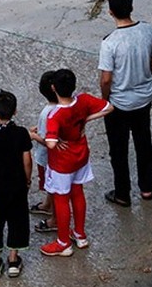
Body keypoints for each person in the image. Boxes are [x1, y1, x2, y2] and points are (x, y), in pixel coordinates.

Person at [98, 0, 152, 207]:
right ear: (131, 8)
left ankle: (123, 193)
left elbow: (106, 79)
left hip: (119, 102)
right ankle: (146, 188)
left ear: (110, 12)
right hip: (143, 98)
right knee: (144, 143)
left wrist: (104, 100)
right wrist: (145, 74)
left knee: (118, 149)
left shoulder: (109, 43)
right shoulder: (147, 31)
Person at [40, 69, 113, 257]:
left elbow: (50, 142)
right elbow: (108, 107)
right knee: (78, 192)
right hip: (81, 155)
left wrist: (48, 139)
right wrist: (87, 119)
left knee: (61, 198)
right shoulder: (84, 100)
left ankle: (63, 242)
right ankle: (80, 234)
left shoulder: (54, 115)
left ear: (53, 88)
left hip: (62, 163)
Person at [0, 91, 33, 277]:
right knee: (17, 220)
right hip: (17, 185)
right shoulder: (21, 134)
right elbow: (27, 161)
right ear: (15, 111)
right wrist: (27, 179)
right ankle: (13, 260)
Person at [29, 71, 59, 233]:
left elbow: (48, 141)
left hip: (47, 158)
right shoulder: (58, 109)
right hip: (51, 157)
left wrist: (34, 135)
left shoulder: (48, 112)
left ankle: (54, 218)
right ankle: (47, 205)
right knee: (49, 185)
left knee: (52, 186)